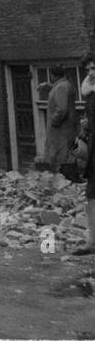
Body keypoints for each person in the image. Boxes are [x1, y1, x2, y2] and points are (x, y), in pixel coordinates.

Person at [41, 67, 78, 172]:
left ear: (52, 75)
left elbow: (62, 109)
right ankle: (69, 176)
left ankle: (66, 177)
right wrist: (48, 86)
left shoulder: (61, 87)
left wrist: (54, 122)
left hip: (61, 128)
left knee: (61, 153)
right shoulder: (65, 84)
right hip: (67, 127)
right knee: (66, 152)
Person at [78, 55, 95, 256]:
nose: (90, 73)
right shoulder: (89, 92)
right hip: (93, 148)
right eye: (88, 69)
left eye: (94, 69)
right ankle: (92, 241)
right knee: (91, 193)